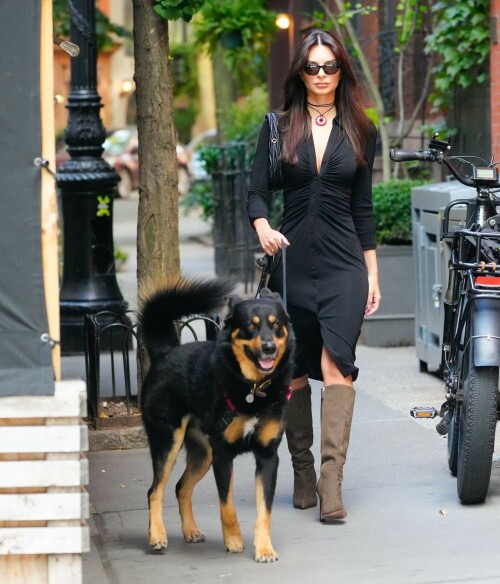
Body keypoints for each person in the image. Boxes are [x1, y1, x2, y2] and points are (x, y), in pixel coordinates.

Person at [247, 29, 381, 522]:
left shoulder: (362, 130)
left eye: (330, 67)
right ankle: (302, 470)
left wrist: (372, 274)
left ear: (342, 71)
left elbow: (363, 210)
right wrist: (263, 226)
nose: (321, 76)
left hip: (346, 262)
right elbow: (256, 192)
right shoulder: (278, 126)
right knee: (297, 370)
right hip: (294, 262)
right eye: (312, 67)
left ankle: (331, 483)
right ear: (299, 73)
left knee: (337, 366)